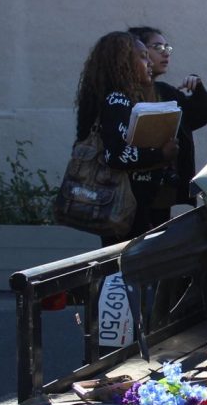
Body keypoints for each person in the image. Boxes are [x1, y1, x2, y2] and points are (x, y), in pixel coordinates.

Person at [74, 31, 179, 246]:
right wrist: (161, 153)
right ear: (122, 64)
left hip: (130, 208)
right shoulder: (117, 100)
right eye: (142, 56)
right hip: (123, 207)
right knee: (125, 270)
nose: (149, 62)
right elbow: (117, 155)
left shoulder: (115, 99)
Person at [128, 26, 207, 226]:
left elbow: (199, 116)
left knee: (156, 249)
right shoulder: (119, 95)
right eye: (157, 47)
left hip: (160, 190)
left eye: (167, 47)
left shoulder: (165, 92)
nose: (165, 52)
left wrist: (199, 90)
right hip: (127, 190)